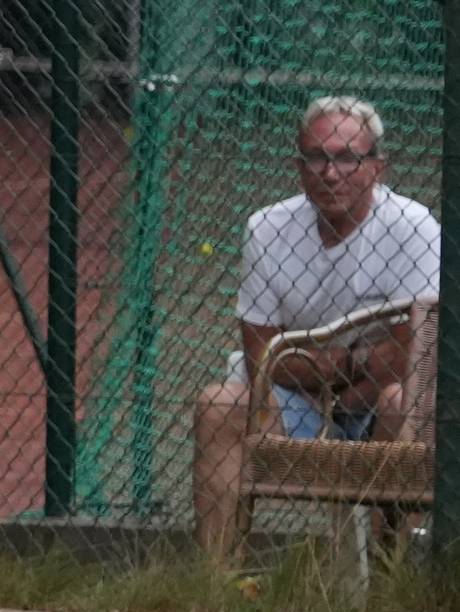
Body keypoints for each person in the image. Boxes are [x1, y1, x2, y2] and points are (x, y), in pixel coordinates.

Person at [189, 95, 442, 563]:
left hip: (376, 399)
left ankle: (393, 582)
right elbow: (261, 354)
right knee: (218, 405)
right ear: (299, 165)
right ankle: (215, 581)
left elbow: (416, 347)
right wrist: (347, 365)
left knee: (402, 402)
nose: (330, 173)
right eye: (317, 157)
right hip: (292, 401)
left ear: (377, 167)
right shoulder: (266, 228)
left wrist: (351, 389)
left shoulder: (414, 227)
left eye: (348, 158)